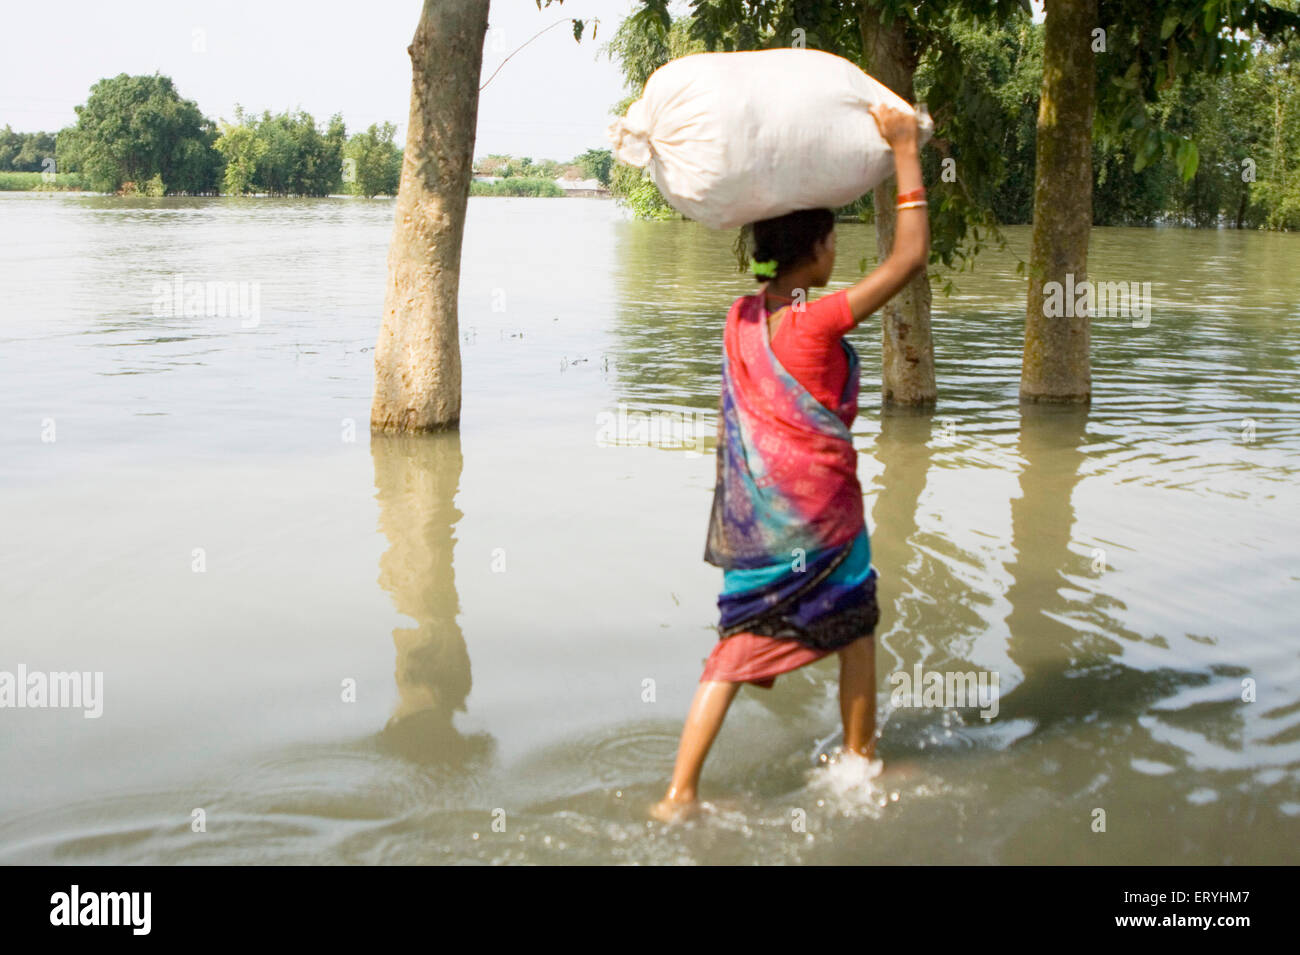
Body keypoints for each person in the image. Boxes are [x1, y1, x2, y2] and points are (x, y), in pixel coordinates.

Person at [651, 102, 930, 821]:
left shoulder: (741, 318)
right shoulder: (820, 317)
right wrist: (904, 148)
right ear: (818, 250)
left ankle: (678, 793)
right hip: (827, 525)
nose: (838, 252)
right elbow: (909, 258)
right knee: (857, 628)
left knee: (735, 651)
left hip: (760, 535)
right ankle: (859, 760)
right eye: (833, 240)